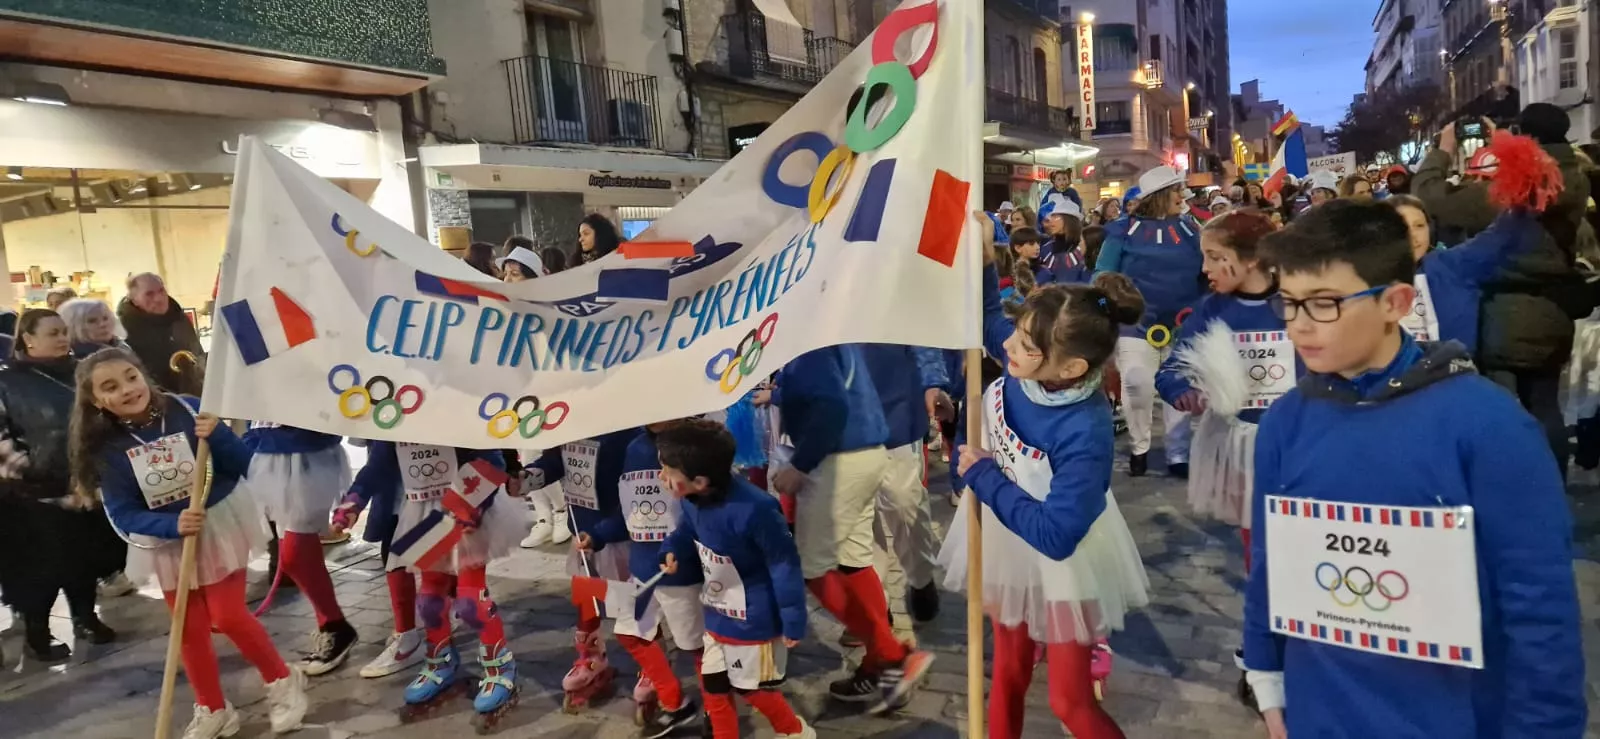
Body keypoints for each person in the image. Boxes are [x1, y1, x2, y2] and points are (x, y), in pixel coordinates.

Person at [1243, 199, 1585, 738]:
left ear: (1395, 302)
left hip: (1450, 715)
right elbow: (1270, 560)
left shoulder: (1490, 426)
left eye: (1325, 303)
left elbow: (1538, 611)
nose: (1299, 326)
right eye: (1288, 303)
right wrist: (1266, 674)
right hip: (1320, 706)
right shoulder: (1286, 421)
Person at [940, 212, 1150, 739]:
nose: (1007, 348)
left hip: (1063, 554)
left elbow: (1057, 538)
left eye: (1025, 347)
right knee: (1006, 671)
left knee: (1068, 702)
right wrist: (987, 258)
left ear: (1071, 368)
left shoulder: (1085, 431)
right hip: (1006, 539)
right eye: (1016, 334)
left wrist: (984, 477)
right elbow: (987, 320)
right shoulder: (1028, 355)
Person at [70, 347, 307, 738]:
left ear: (144, 373)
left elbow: (244, 463)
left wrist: (218, 436)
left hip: (218, 524)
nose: (127, 389)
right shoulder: (107, 450)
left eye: (131, 376)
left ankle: (283, 680)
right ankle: (213, 708)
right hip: (168, 538)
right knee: (187, 628)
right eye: (111, 387)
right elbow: (122, 513)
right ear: (96, 401)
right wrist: (169, 524)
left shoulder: (187, 410)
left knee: (228, 615)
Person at [1151, 211, 1286, 702]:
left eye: (1215, 257)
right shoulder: (1212, 310)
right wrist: (1184, 390)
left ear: (1251, 259)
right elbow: (1171, 371)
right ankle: (1261, 658)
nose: (1205, 267)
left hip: (1302, 448)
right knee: (1261, 557)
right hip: (1243, 451)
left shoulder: (1297, 301)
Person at [769, 345, 934, 710]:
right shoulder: (831, 337)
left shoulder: (810, 345)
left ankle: (893, 656)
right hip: (867, 453)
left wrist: (801, 464)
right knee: (853, 560)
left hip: (839, 462)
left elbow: (831, 406)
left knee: (812, 567)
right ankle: (880, 662)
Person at [338, 439, 524, 728]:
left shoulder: (451, 409)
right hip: (423, 508)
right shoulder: (395, 415)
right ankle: (440, 659)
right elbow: (378, 465)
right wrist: (354, 500)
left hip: (468, 505)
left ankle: (500, 664)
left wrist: (470, 506)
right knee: (429, 594)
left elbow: (492, 460)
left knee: (471, 596)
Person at [656, 420, 815, 739]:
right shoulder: (691, 501)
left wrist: (793, 618)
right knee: (713, 684)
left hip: (754, 620)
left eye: (667, 471)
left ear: (700, 481)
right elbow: (686, 531)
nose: (661, 476)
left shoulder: (757, 509)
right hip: (717, 613)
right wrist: (671, 548)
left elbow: (784, 563)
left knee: (753, 689)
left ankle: (793, 731)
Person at [0, 311, 125, 661]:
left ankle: (85, 618)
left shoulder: (83, 371)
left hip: (86, 483)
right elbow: (1, 439)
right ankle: (38, 635)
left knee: (84, 558)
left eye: (63, 332)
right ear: (27, 338)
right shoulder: (7, 382)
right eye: (52, 332)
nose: (61, 338)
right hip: (34, 493)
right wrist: (29, 473)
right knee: (40, 569)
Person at [578, 419, 706, 736]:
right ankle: (674, 702)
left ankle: (719, 712)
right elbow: (630, 509)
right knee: (630, 632)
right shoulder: (635, 447)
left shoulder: (696, 444)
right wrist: (596, 536)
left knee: (697, 647)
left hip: (681, 571)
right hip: (643, 565)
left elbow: (709, 508)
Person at [1093, 165, 1203, 478]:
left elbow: (1205, 273)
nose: (1182, 196)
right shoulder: (1121, 230)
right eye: (1176, 190)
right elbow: (1100, 276)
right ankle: (1139, 446)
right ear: (1159, 196)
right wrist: (1106, 310)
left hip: (1183, 324)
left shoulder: (1191, 230)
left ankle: (1178, 453)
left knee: (1179, 388)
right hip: (1134, 325)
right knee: (1137, 383)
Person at [524, 428, 643, 711]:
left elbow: (633, 484)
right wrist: (528, 478)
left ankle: (649, 661)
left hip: (617, 530)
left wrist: (611, 528)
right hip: (582, 529)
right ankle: (590, 655)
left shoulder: (628, 431)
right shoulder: (573, 422)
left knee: (629, 604)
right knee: (586, 597)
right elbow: (555, 460)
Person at [242, 422, 359, 674]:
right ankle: (331, 626)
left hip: (307, 454)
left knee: (295, 552)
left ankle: (335, 626)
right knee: (295, 551)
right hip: (266, 452)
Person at [858, 344, 952, 624]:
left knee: (906, 506)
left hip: (896, 410)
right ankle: (876, 601)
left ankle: (921, 577)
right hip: (840, 414)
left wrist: (933, 381)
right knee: (857, 522)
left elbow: (920, 329)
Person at [1387, 193, 1541, 352]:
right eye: (1402, 227)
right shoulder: (1368, 278)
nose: (1413, 236)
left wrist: (1521, 192)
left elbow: (1499, 236)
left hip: (1456, 373)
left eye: (1419, 226)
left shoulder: (1452, 264)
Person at [118, 273, 205, 396]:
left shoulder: (179, 319)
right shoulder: (124, 331)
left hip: (197, 397)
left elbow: (197, 353)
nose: (159, 298)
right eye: (149, 294)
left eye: (161, 290)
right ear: (134, 299)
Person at [58, 297, 131, 357]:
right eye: (92, 321)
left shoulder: (122, 346)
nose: (102, 324)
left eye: (105, 318)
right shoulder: (79, 359)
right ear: (73, 326)